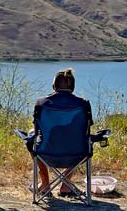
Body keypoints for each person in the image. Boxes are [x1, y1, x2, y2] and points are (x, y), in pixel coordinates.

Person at [29, 68, 93, 197]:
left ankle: (45, 183)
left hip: (46, 153)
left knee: (32, 136)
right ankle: (66, 183)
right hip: (76, 155)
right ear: (73, 88)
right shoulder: (83, 105)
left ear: (53, 87)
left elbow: (37, 130)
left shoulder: (41, 103)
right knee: (85, 141)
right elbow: (86, 130)